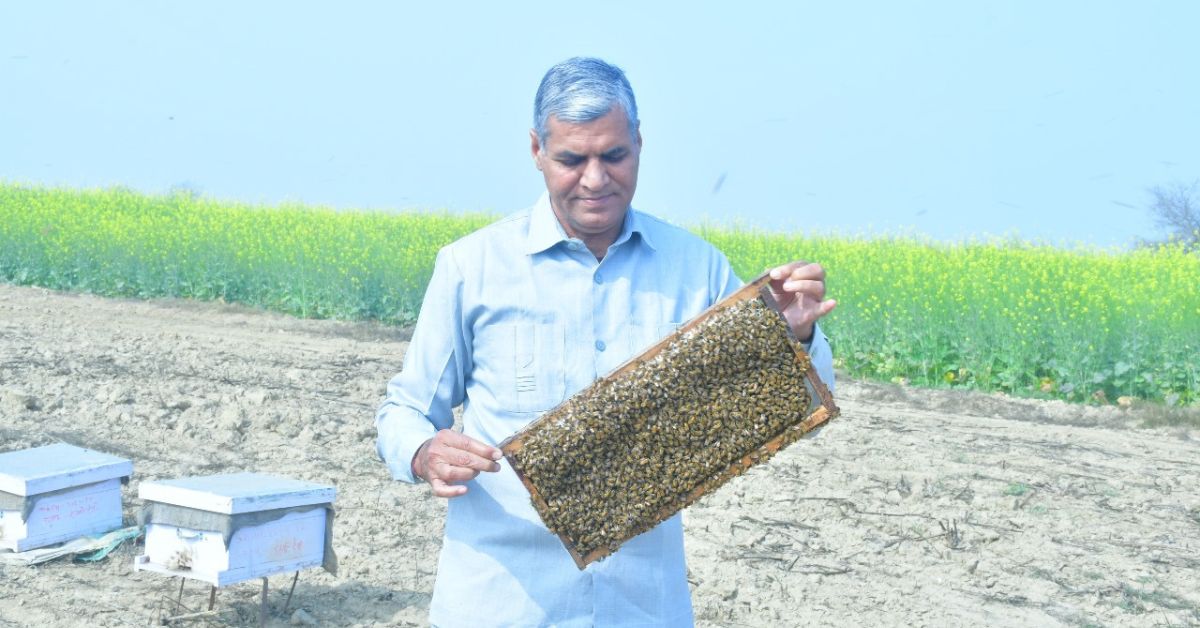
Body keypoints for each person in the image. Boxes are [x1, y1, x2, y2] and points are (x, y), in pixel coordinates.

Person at [376, 56, 836, 627]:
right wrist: (424, 452)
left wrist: (793, 335)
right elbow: (405, 410)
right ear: (537, 151)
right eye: (572, 159)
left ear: (639, 144)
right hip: (502, 603)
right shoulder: (472, 267)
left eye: (613, 155)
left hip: (642, 604)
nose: (595, 179)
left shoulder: (695, 269)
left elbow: (792, 398)